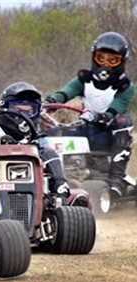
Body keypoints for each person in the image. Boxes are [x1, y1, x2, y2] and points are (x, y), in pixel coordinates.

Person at [45, 32, 135, 197]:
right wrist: (51, 101)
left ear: (122, 62)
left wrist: (106, 116)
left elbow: (118, 105)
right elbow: (66, 92)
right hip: (88, 128)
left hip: (110, 131)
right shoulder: (84, 80)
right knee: (52, 132)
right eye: (101, 58)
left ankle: (116, 181)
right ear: (94, 58)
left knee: (124, 122)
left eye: (112, 60)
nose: (106, 65)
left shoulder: (126, 86)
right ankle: (54, 177)